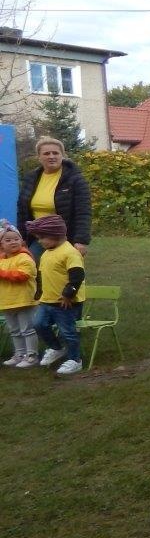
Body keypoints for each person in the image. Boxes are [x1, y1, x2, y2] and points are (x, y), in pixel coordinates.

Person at [28, 214, 86, 376]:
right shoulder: (47, 253)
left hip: (65, 302)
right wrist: (39, 293)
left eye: (42, 238)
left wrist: (68, 295)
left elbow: (77, 276)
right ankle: (56, 348)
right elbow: (42, 275)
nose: (40, 241)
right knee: (39, 324)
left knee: (68, 331)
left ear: (56, 234)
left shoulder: (70, 252)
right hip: (47, 301)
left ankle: (75, 360)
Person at [18, 137, 92, 259]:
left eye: (55, 153)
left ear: (62, 155)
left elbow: (83, 212)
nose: (51, 156)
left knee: (60, 270)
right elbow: (22, 211)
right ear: (39, 157)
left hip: (65, 238)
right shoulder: (30, 178)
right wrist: (22, 237)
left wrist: (81, 241)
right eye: (46, 153)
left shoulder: (75, 179)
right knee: (30, 266)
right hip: (37, 238)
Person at [0, 225, 39, 368]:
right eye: (8, 240)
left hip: (24, 301)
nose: (13, 242)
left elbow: (22, 275)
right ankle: (20, 354)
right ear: (1, 245)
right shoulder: (2, 260)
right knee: (14, 330)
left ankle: (32, 355)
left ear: (22, 241)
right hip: (7, 301)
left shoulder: (25, 257)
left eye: (16, 239)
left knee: (27, 330)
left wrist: (1, 273)